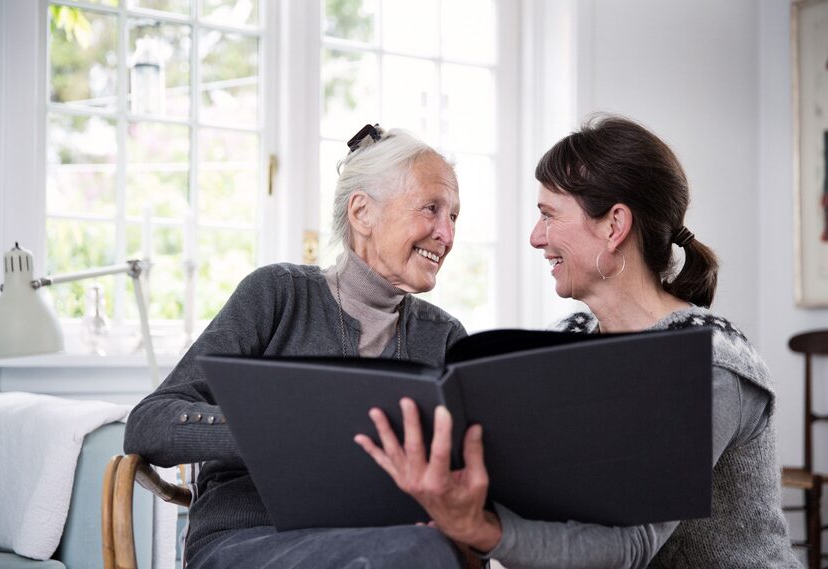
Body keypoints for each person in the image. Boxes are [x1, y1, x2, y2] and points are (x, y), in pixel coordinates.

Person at [356, 115, 803, 568]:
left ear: (614, 226)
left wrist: (479, 528)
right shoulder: (565, 344)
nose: (536, 238)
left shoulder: (709, 367)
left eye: (549, 215)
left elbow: (630, 548)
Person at [124, 124, 472, 569]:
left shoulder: (444, 337)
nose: (447, 233)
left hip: (386, 544)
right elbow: (150, 424)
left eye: (454, 216)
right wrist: (282, 431)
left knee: (424, 550)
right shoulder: (278, 294)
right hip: (248, 542)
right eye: (431, 208)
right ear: (362, 212)